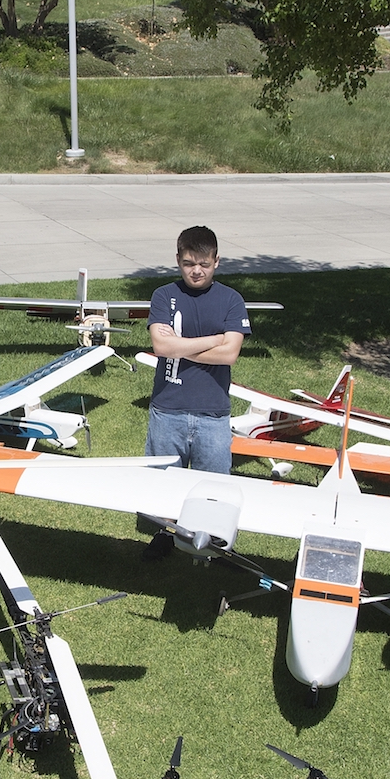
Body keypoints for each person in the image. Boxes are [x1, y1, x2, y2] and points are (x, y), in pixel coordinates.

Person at [143, 224, 252, 558]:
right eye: (189, 263)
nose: (197, 270)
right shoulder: (164, 295)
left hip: (213, 413)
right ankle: (165, 535)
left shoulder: (231, 300)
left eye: (204, 263)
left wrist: (179, 346)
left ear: (217, 261)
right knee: (161, 487)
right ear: (177, 260)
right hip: (168, 409)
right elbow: (160, 345)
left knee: (215, 490)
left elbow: (229, 353)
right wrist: (212, 340)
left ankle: (214, 546)